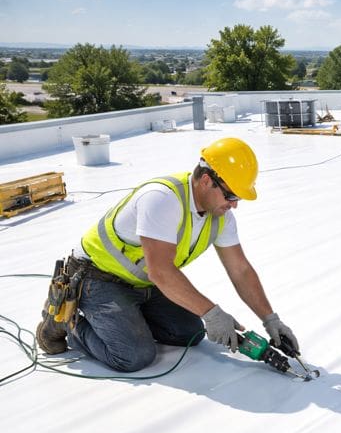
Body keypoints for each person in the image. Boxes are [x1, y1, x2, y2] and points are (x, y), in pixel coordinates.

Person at [35, 137, 300, 372]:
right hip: (97, 277)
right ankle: (64, 321)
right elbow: (161, 271)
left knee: (189, 332)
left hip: (142, 282)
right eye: (231, 195)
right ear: (206, 180)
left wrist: (271, 320)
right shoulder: (162, 199)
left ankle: (125, 318)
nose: (234, 205)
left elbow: (240, 270)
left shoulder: (221, 217)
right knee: (134, 356)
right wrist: (213, 313)